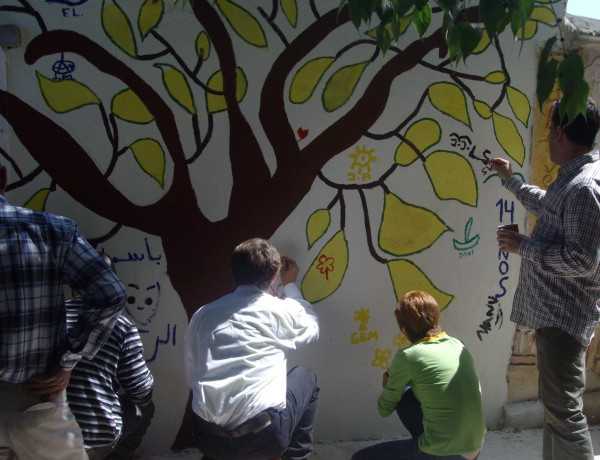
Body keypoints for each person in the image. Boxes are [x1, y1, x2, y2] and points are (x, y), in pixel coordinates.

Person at [489, 99, 600, 460]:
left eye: (550, 129)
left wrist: (525, 246)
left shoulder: (583, 187)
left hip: (563, 319)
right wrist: (512, 180)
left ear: (560, 133)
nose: (548, 138)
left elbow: (581, 261)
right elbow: (550, 205)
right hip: (557, 315)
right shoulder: (576, 178)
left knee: (565, 416)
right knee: (556, 412)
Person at [0, 163, 127, 460]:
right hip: (36, 402)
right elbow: (110, 294)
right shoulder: (51, 231)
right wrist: (68, 361)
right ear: (4, 178)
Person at [184, 238, 320, 460]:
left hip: (206, 438)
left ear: (234, 273)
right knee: (307, 377)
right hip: (263, 438)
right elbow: (312, 327)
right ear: (273, 277)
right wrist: (290, 285)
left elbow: (191, 381)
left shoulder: (203, 315)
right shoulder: (281, 312)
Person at [351, 290, 486, 460]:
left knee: (360, 457)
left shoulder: (408, 356)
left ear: (405, 329)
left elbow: (384, 409)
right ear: (436, 318)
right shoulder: (458, 345)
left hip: (444, 452)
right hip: (474, 448)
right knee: (409, 391)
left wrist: (389, 387)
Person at [66, 253, 155, 460]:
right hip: (98, 437)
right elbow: (141, 389)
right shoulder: (121, 325)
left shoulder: (51, 318)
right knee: (146, 409)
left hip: (50, 433)